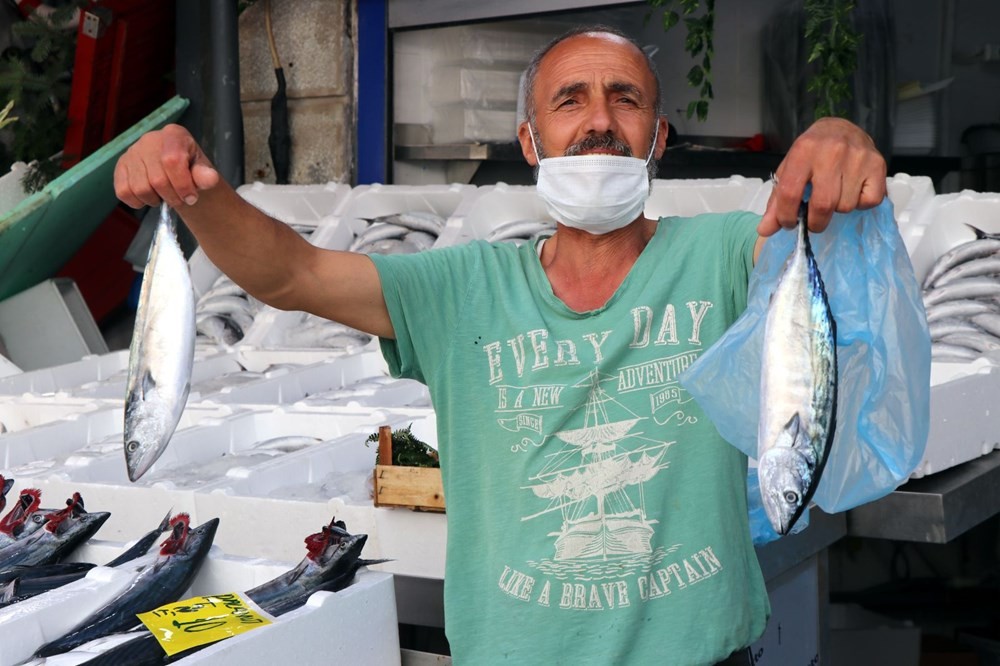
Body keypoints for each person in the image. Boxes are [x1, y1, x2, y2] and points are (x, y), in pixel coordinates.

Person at [115, 25, 885, 666]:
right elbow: (290, 272)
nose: (600, 122)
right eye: (569, 100)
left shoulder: (727, 256)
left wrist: (839, 139)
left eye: (627, 100)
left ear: (658, 138)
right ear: (529, 139)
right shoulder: (459, 289)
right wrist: (194, 186)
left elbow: (838, 260)